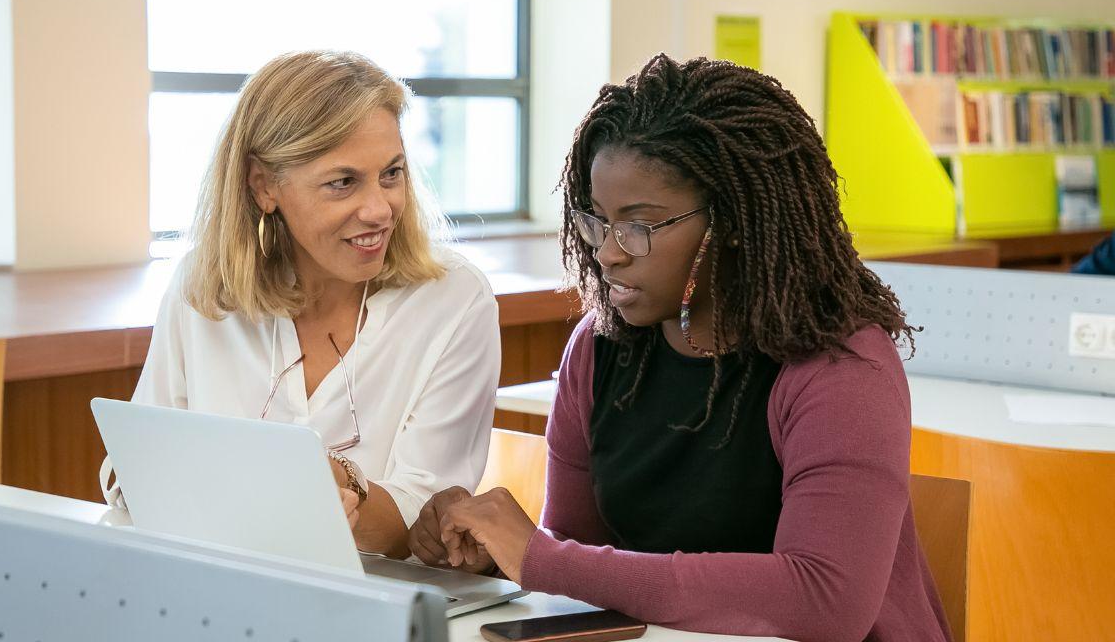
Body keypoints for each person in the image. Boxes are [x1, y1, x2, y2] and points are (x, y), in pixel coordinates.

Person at [409, 55, 952, 641]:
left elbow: (825, 602)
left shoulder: (840, 364)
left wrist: (542, 559)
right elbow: (583, 561)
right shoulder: (598, 349)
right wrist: (493, 552)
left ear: (735, 220)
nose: (609, 253)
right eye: (597, 222)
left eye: (639, 225)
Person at [101, 50, 500, 558]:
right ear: (264, 185)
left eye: (392, 173)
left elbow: (425, 525)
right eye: (343, 182)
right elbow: (132, 469)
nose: (380, 209)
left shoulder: (454, 300)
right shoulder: (204, 288)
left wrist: (345, 492)